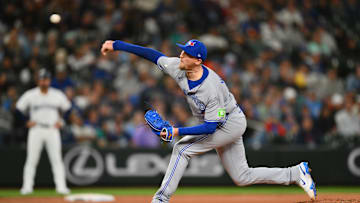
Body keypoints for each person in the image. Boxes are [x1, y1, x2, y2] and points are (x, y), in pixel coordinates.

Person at [101, 39, 317, 202]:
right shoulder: (178, 67)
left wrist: (176, 131)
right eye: (183, 50)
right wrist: (117, 45)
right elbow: (151, 54)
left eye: (187, 54)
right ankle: (296, 172)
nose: (181, 55)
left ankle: (160, 199)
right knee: (242, 176)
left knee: (182, 149)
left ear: (198, 61)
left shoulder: (210, 89)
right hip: (221, 122)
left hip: (229, 123)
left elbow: (211, 127)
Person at [16, 69, 71, 195]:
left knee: (56, 160)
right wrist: (26, 121)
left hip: (52, 129)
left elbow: (68, 109)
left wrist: (62, 121)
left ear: (49, 80)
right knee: (31, 160)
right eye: (41, 79)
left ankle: (61, 187)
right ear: (38, 80)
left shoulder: (57, 94)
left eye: (46, 79)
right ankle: (27, 187)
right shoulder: (31, 94)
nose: (44, 82)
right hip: (36, 129)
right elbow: (18, 109)